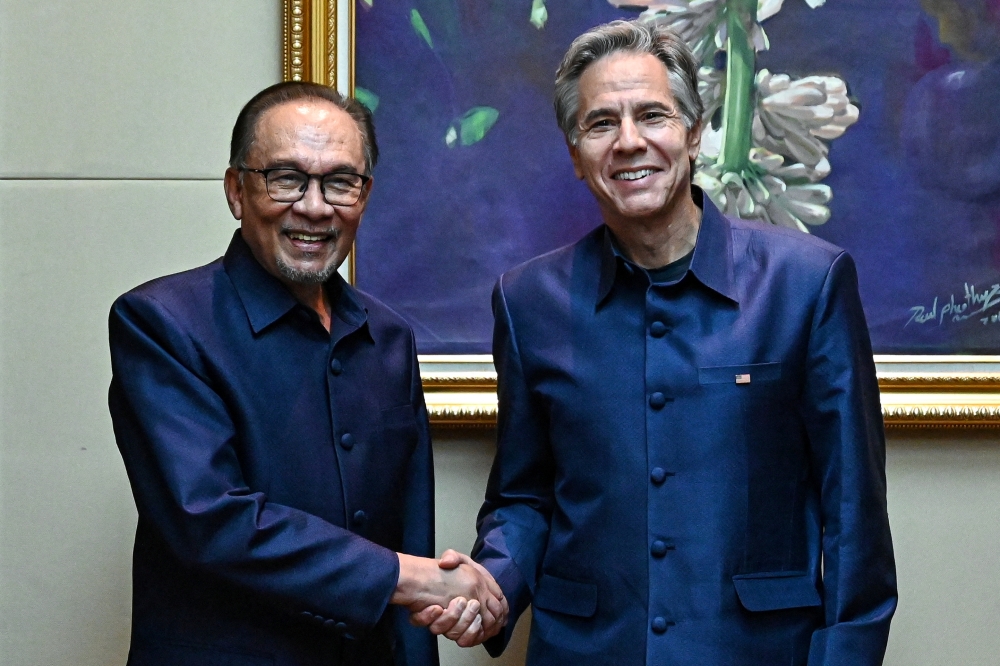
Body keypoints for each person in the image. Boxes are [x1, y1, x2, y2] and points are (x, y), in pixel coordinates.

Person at [426, 18, 897, 665]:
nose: (628, 142)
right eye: (600, 124)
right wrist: (496, 584)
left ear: (693, 131)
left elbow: (854, 517)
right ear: (573, 152)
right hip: (586, 652)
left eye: (652, 115)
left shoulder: (807, 285)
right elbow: (524, 495)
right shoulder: (528, 301)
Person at [108, 81, 505, 666]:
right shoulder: (162, 324)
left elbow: (409, 533)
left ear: (364, 196)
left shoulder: (389, 338)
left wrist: (425, 591)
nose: (315, 207)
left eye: (340, 182)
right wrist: (412, 578)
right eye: (287, 177)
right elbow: (209, 520)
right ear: (236, 190)